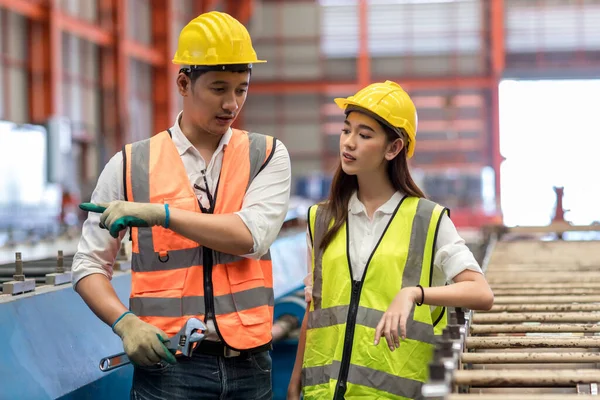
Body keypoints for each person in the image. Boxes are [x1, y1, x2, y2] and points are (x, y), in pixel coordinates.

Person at [72, 11, 291, 400]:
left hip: (250, 367)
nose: (231, 103)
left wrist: (160, 214)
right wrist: (125, 324)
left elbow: (250, 237)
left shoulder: (267, 155)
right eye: (219, 88)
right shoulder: (129, 164)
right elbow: (88, 264)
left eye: (241, 89)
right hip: (168, 368)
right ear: (183, 83)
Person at [286, 80, 494, 400]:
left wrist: (414, 293)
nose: (349, 143)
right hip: (322, 392)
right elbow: (316, 307)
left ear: (393, 148)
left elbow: (481, 293)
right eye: (346, 130)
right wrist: (296, 377)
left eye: (364, 135)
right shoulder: (322, 219)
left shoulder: (427, 219)